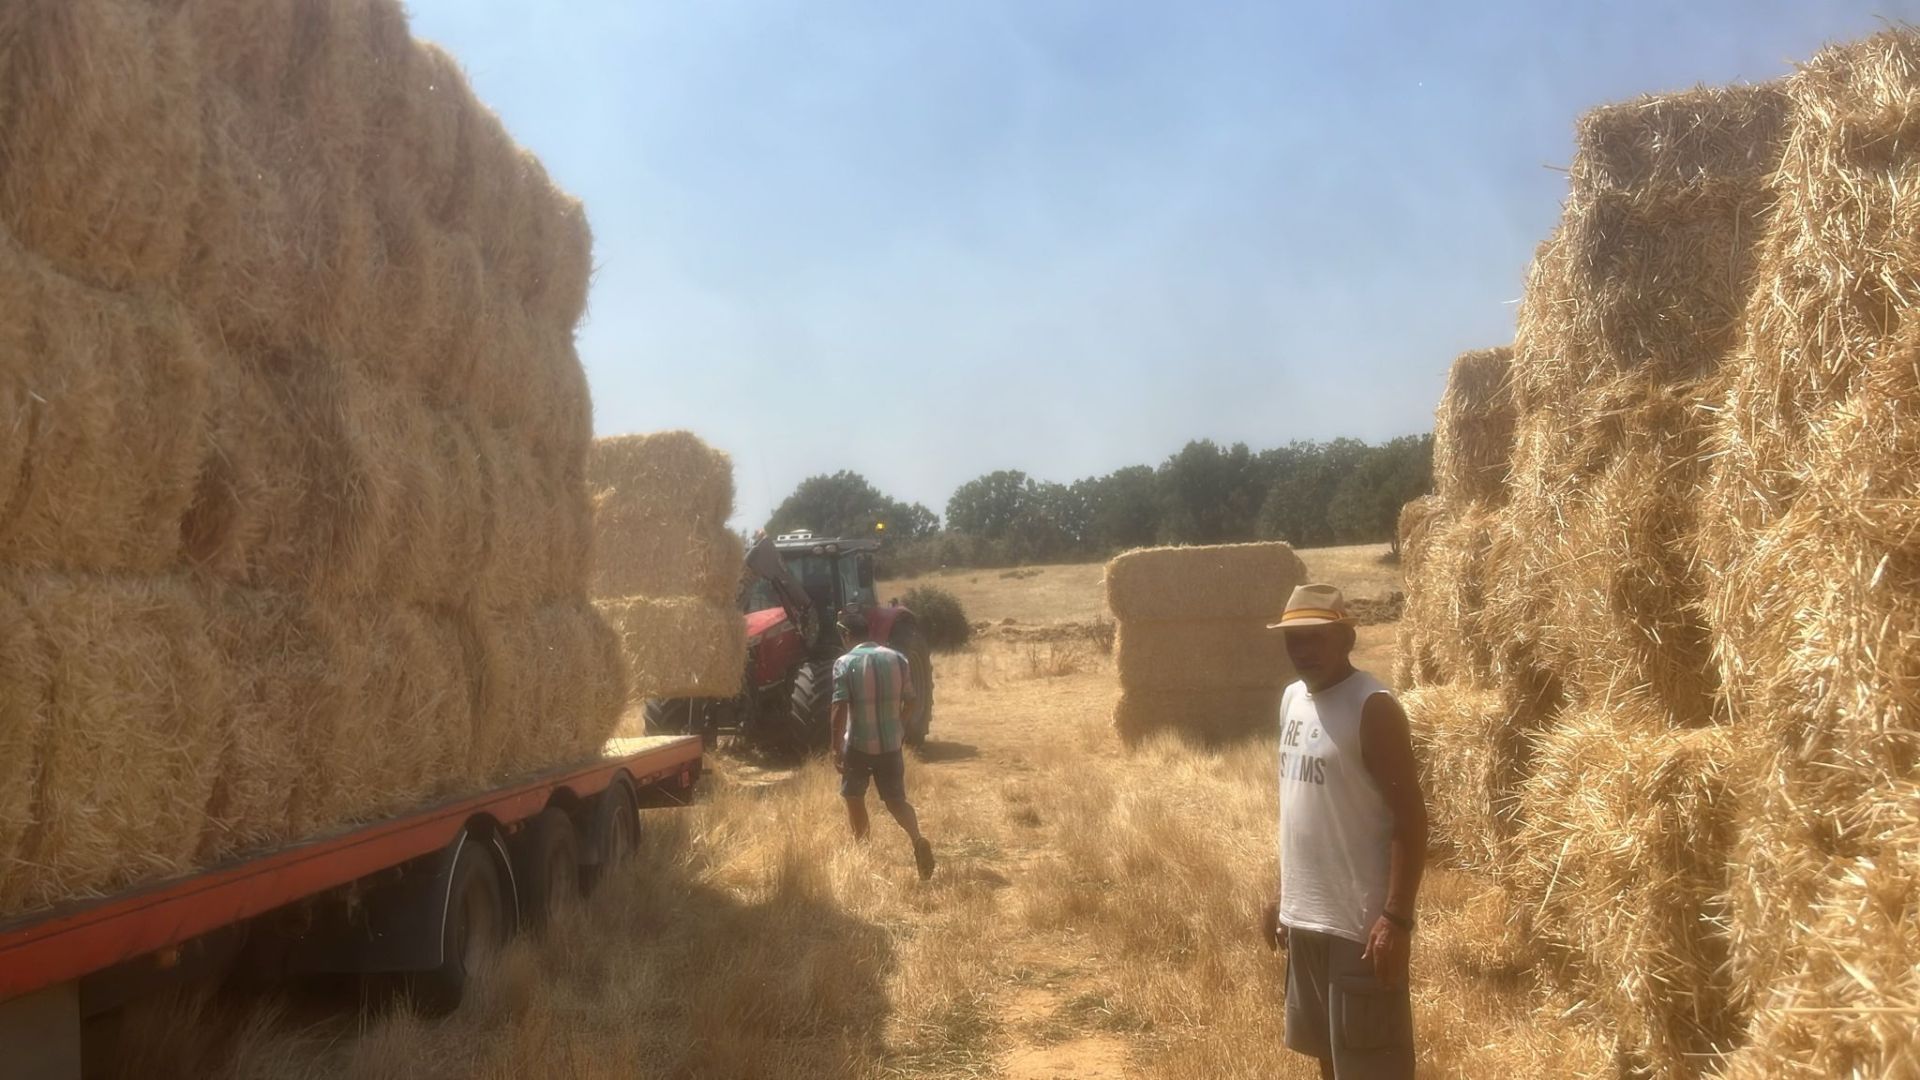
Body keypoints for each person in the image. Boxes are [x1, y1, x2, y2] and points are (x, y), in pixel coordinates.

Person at [1261, 583, 1427, 1080]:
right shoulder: (1292, 699)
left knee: (1373, 1068)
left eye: (1315, 637)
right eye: (1293, 639)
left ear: (1346, 638)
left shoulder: (1371, 706)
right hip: (1306, 919)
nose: (1303, 650)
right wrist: (1283, 893)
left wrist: (1396, 919)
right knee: (1329, 1061)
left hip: (1359, 927)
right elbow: (1303, 809)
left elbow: (1411, 817)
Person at [831, 609, 937, 880]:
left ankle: (863, 854)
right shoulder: (898, 658)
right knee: (896, 801)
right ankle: (917, 839)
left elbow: (839, 708)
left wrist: (835, 747)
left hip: (858, 745)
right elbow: (911, 700)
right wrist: (898, 724)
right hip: (891, 745)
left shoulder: (844, 663)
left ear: (846, 634)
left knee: (854, 797)